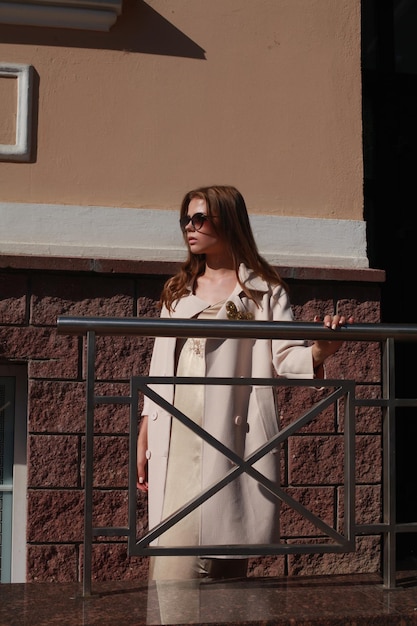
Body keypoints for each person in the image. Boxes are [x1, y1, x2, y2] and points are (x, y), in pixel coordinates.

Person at [137, 185, 353, 582]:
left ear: (228, 221)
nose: (190, 226)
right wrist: (146, 429)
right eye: (186, 218)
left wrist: (324, 348)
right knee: (172, 566)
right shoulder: (177, 290)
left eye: (200, 218)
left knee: (224, 558)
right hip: (176, 429)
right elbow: (157, 367)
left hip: (230, 434)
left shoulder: (263, 291)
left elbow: (286, 359)